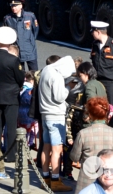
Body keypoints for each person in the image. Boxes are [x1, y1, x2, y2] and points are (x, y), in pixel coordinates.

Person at [70, 97, 113, 194]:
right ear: (106, 114)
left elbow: (74, 157)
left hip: (87, 182)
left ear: (90, 115)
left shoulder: (83, 134)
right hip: (109, 182)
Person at [38, 55, 76, 191]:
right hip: (56, 116)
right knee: (57, 150)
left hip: (45, 114)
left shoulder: (46, 70)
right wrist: (69, 86)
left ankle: (46, 178)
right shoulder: (58, 76)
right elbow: (60, 97)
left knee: (46, 148)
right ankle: (55, 180)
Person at [0, 26, 25, 158]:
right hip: (12, 96)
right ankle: (10, 154)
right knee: (11, 126)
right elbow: (20, 78)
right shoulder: (13, 60)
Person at [89, 21, 113, 105]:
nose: (92, 33)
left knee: (112, 107)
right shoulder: (95, 45)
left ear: (98, 32)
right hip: (97, 80)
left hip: (111, 83)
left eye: (93, 31)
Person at [3, 0, 39, 71]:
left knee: (35, 74)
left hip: (30, 51)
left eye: (15, 6)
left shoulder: (30, 16)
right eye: (12, 6)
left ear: (21, 6)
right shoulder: (7, 18)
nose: (13, 8)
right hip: (17, 52)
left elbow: (36, 29)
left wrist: (30, 41)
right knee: (20, 75)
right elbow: (6, 34)